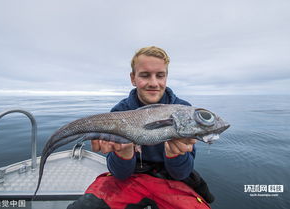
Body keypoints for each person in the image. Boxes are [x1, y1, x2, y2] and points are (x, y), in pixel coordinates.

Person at [67, 46, 214, 209]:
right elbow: (120, 174)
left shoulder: (184, 110)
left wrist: (175, 154)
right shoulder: (119, 112)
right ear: (133, 78)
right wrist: (123, 153)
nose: (153, 83)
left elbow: (181, 173)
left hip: (171, 181)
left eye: (160, 75)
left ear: (166, 77)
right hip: (130, 179)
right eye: (145, 75)